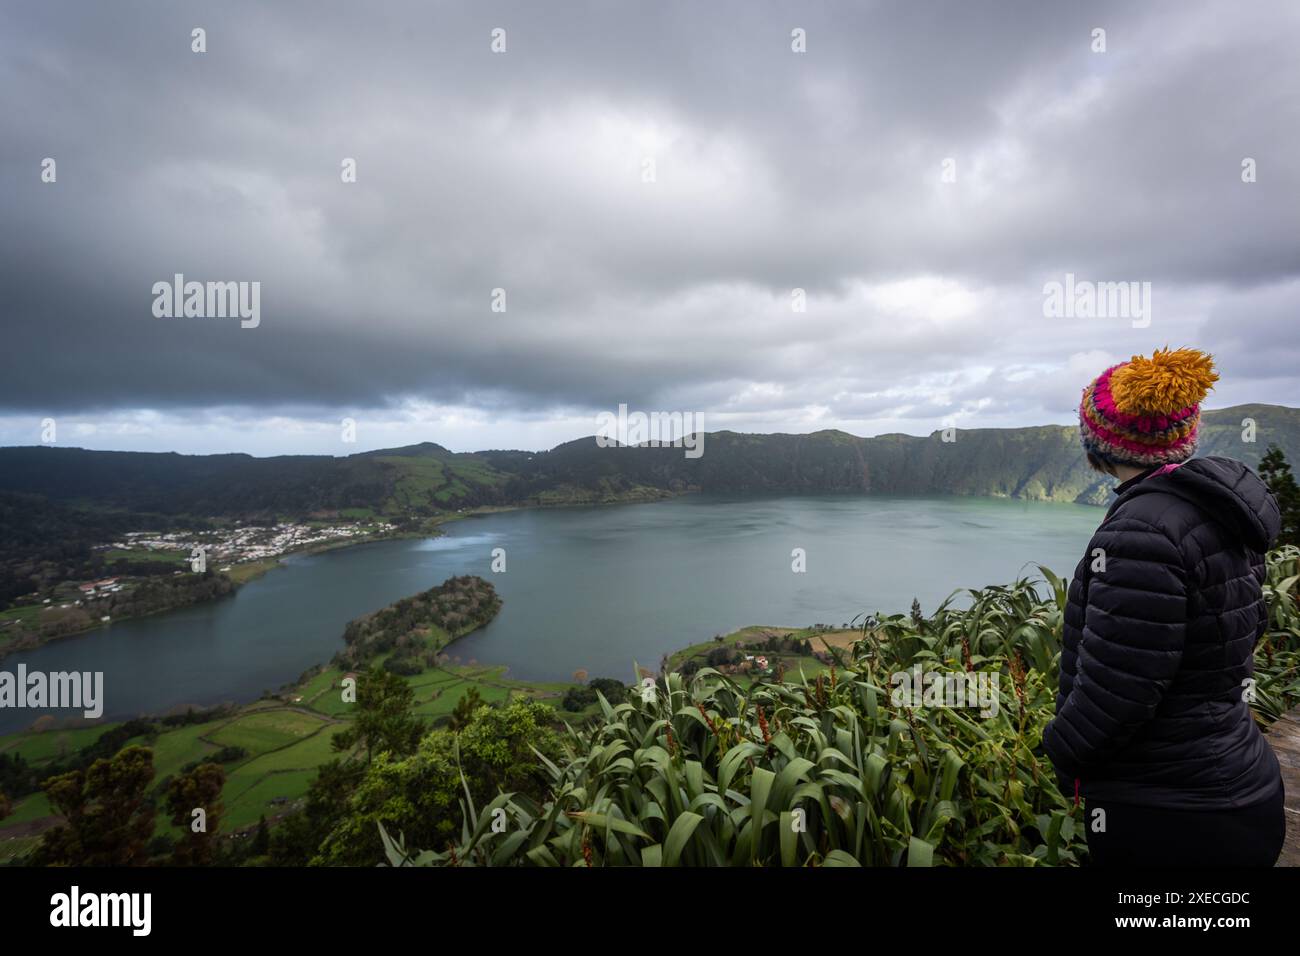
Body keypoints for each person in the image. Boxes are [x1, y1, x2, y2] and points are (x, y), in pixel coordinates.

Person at [1041, 347, 1286, 867]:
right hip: (1235, 784)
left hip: (1169, 813)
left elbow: (1118, 692)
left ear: (1099, 445)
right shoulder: (1214, 510)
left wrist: (1060, 747)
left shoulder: (1139, 534)